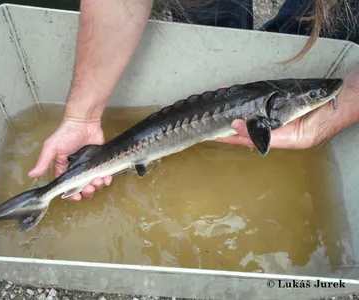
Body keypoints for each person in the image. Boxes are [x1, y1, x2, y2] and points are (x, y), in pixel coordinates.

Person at [27, 0, 359, 201]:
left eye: (316, 94)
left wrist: (340, 111)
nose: (325, 94)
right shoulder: (266, 114)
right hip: (116, 152)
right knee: (214, 13)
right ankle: (45, 196)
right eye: (315, 95)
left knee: (327, 18)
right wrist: (82, 116)